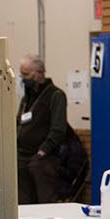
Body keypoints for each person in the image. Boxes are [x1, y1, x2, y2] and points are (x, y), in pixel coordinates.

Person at [17, 54, 70, 204]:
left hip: (44, 157)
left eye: (26, 74)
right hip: (23, 155)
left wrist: (43, 150)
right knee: (22, 199)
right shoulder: (26, 98)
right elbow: (18, 122)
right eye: (22, 74)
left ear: (39, 73)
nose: (23, 78)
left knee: (45, 200)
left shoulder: (56, 95)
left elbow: (59, 128)